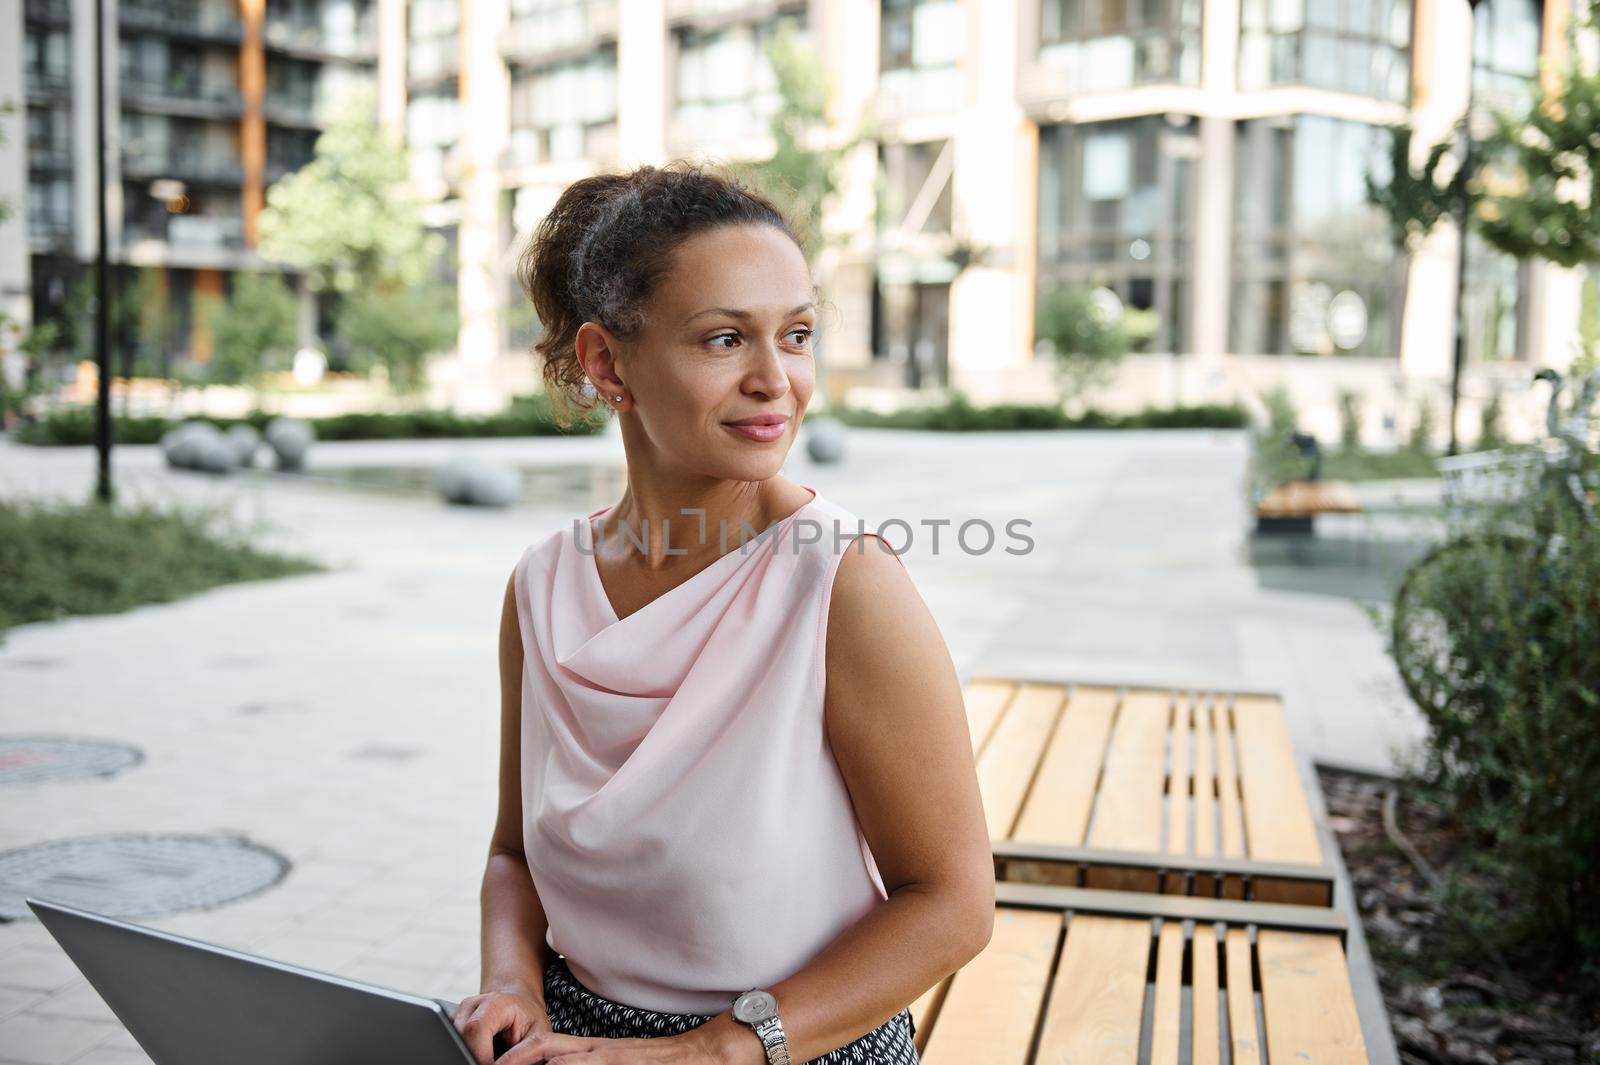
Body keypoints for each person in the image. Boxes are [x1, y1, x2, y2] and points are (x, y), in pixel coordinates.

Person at [451, 162, 993, 1065]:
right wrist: (511, 987)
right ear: (606, 363)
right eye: (724, 339)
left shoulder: (841, 582)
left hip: (796, 1049)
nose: (776, 379)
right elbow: (512, 855)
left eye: (798, 334)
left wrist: (709, 1052)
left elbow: (952, 903)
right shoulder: (541, 587)